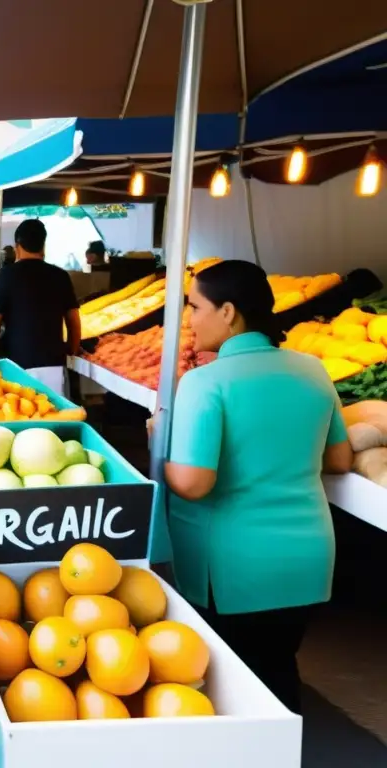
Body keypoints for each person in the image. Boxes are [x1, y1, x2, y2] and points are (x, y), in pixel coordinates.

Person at [162, 259, 352, 714]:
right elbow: (340, 459)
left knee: (236, 688)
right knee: (279, 668)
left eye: (195, 306)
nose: (190, 319)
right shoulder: (313, 369)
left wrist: (161, 451)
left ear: (227, 312)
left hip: (234, 567)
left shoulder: (204, 382)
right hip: (308, 556)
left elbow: (192, 483)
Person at [0, 219, 79, 394]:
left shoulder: (4, 276)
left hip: (16, 364)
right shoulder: (60, 276)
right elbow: (73, 320)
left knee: (21, 416)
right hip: (53, 363)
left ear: (17, 245)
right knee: (54, 416)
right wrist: (72, 349)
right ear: (43, 244)